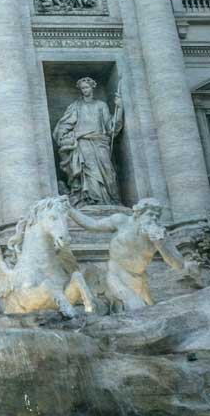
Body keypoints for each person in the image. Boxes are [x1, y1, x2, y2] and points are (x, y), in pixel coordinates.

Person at [68, 199, 201, 311]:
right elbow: (92, 224)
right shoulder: (121, 221)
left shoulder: (159, 234)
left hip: (139, 279)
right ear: (138, 214)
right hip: (115, 273)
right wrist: (70, 210)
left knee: (145, 310)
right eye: (150, 214)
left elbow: (177, 263)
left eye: (157, 216)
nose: (154, 218)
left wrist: (161, 244)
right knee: (134, 305)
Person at [53, 77, 123, 205]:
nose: (85, 90)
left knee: (108, 171)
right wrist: (66, 136)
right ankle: (93, 200)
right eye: (83, 88)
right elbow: (64, 125)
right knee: (89, 171)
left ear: (92, 88)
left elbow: (111, 128)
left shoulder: (101, 105)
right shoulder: (75, 106)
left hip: (100, 142)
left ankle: (109, 200)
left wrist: (119, 109)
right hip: (83, 142)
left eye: (87, 87)